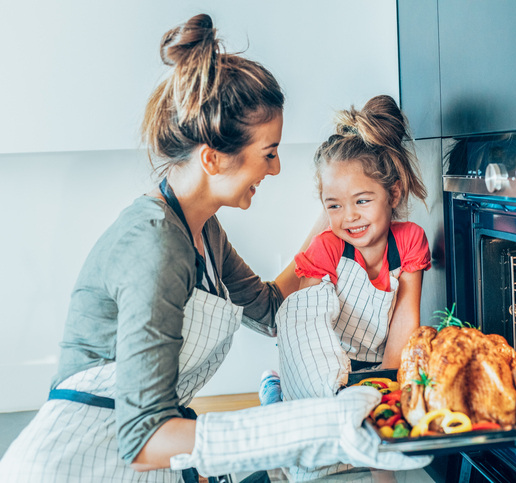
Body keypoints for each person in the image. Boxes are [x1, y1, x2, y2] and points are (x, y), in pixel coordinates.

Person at [0, 14, 429, 482]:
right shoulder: (153, 244)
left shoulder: (204, 231)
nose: (277, 167)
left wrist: (338, 215)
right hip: (77, 465)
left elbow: (270, 310)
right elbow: (144, 437)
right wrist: (315, 422)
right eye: (269, 152)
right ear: (213, 158)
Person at [261, 95, 430, 405]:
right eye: (334, 205)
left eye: (361, 201)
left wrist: (388, 384)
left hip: (376, 370)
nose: (349, 216)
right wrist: (335, 393)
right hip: (322, 374)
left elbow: (405, 324)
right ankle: (274, 387)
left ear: (392, 193)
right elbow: (306, 332)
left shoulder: (409, 242)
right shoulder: (326, 248)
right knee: (286, 409)